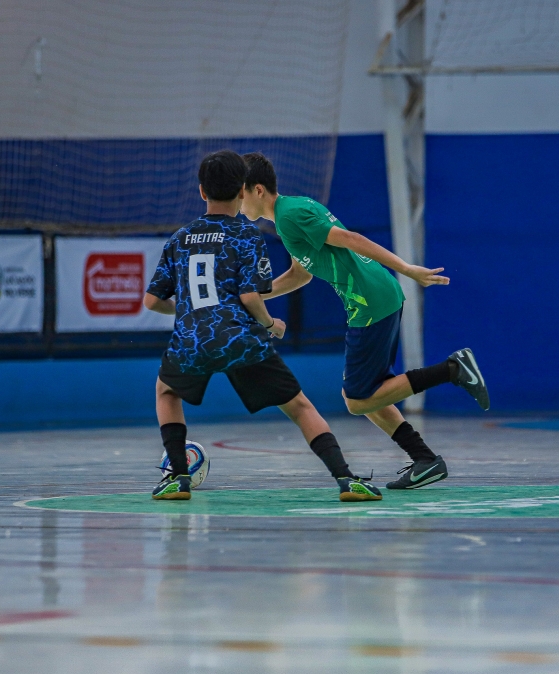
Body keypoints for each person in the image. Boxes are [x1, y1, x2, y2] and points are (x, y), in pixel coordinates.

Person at [240, 152, 489, 491]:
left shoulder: (290, 215)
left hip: (370, 301)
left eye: (240, 193)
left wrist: (407, 268)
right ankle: (425, 459)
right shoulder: (290, 213)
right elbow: (301, 274)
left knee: (358, 400)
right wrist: (254, 296)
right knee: (370, 394)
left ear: (257, 190)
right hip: (375, 297)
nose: (238, 202)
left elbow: (352, 239)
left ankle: (454, 369)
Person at [143, 150, 381, 503]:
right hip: (239, 339)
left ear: (201, 191)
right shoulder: (247, 234)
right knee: (299, 407)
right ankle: (346, 479)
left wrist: (189, 309)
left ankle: (178, 477)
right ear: (243, 191)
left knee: (166, 391)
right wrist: (271, 324)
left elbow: (151, 301)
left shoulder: (179, 238)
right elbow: (250, 296)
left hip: (192, 339)